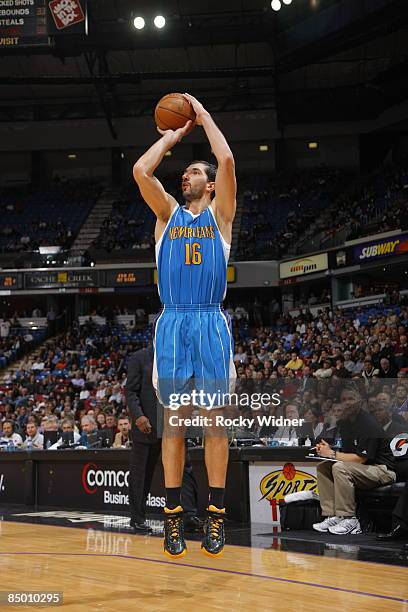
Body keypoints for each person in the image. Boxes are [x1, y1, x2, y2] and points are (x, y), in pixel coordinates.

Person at [133, 93, 236, 558]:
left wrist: (204, 116)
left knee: (214, 423)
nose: (187, 175)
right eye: (186, 172)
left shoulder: (221, 218)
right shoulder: (166, 215)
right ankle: (172, 518)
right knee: (173, 424)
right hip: (174, 321)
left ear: (211, 186)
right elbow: (141, 172)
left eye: (195, 172)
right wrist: (172, 137)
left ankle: (216, 515)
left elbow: (227, 157)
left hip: (209, 321)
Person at [126, 345, 200, 535]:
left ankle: (189, 516)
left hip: (173, 424)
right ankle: (137, 519)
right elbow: (131, 392)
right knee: (141, 475)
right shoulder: (139, 357)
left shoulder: (178, 358)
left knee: (184, 470)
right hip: (146, 426)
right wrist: (138, 416)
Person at [313, 385, 396, 535]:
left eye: (351, 398)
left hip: (383, 470)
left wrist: (331, 454)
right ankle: (333, 515)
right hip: (364, 469)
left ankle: (350, 518)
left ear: (360, 401)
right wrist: (326, 451)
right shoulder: (345, 423)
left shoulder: (368, 424)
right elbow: (347, 454)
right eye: (344, 399)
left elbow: (360, 459)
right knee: (323, 466)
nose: (347, 403)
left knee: (339, 467)